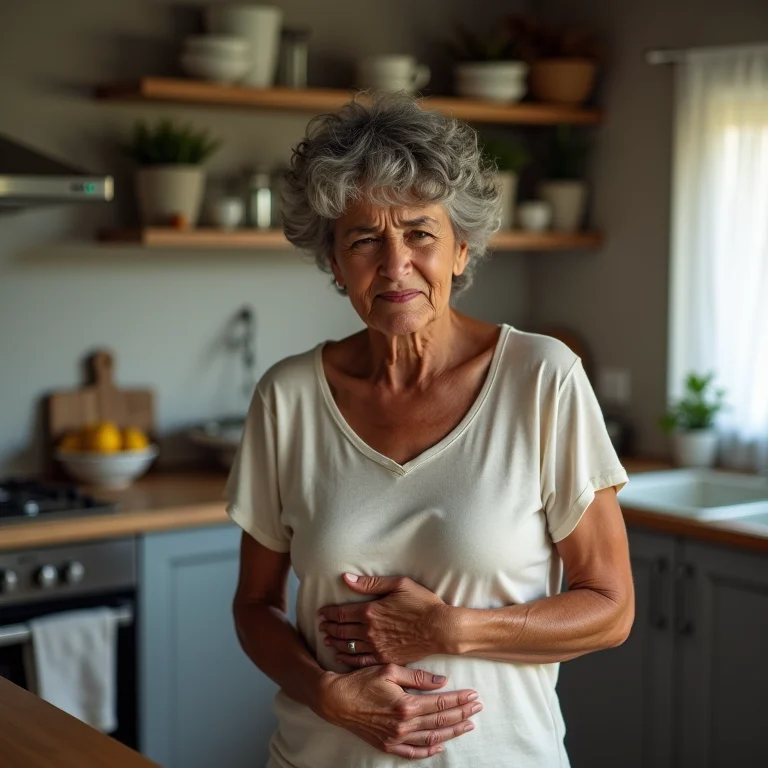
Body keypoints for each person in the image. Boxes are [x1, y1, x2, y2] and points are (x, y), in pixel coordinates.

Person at [225, 93, 634, 768]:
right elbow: (254, 604)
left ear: (461, 250)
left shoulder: (542, 378)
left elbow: (611, 610)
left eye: (419, 234)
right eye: (363, 240)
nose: (395, 267)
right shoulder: (287, 396)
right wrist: (325, 693)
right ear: (334, 263)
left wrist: (451, 629)